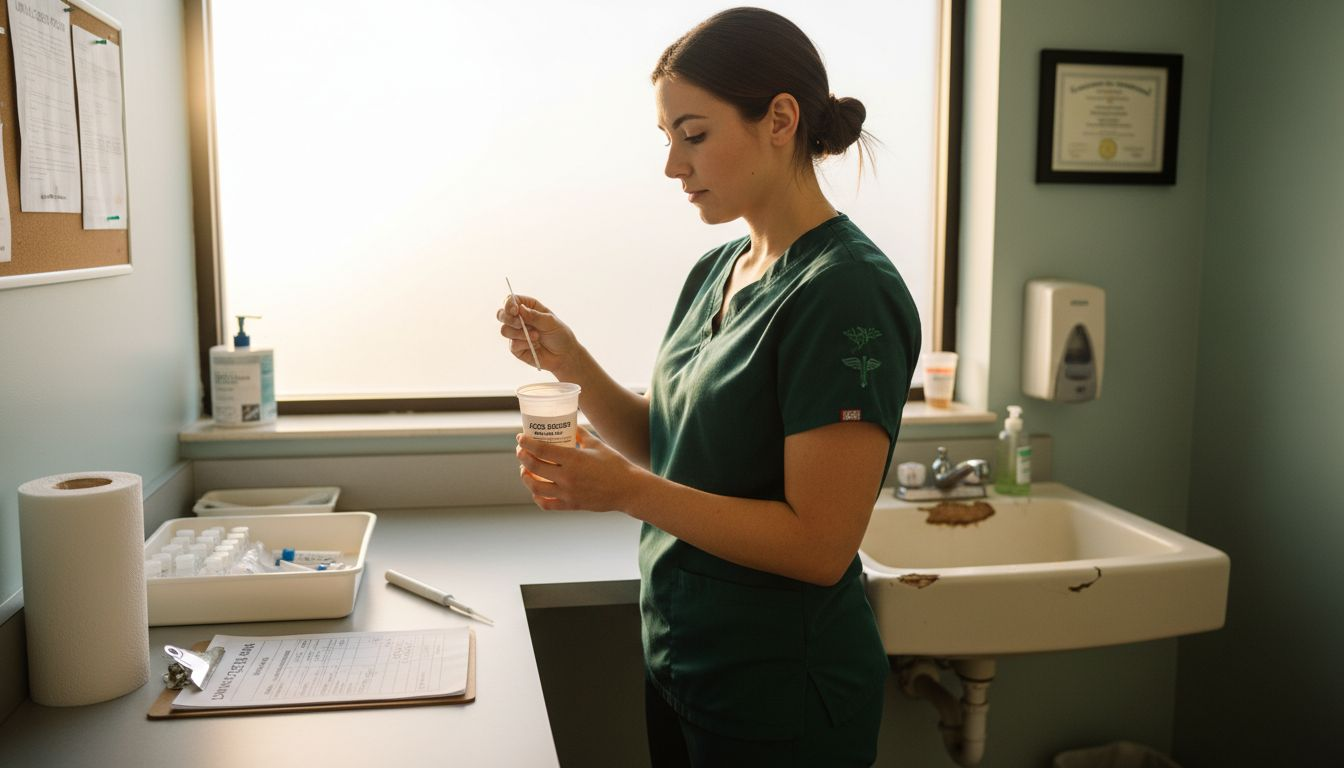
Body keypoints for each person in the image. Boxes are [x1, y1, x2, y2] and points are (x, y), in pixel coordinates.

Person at [497, 7, 920, 766]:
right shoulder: (718, 271)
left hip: (780, 696)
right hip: (684, 666)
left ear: (781, 119)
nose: (673, 166)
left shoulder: (845, 292)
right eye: (667, 141)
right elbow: (676, 446)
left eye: (693, 135)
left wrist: (624, 491)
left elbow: (821, 545)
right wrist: (573, 366)